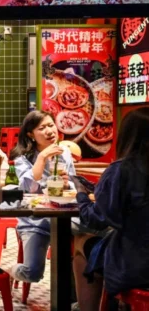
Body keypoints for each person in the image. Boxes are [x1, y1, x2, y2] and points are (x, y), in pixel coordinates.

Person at [75, 107, 149, 310]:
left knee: (81, 242)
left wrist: (81, 195)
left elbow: (96, 219)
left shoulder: (122, 169)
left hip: (136, 265)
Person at [8, 110, 77, 284]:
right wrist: (43, 157)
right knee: (32, 273)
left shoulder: (65, 153)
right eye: (42, 128)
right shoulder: (22, 157)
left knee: (92, 234)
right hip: (34, 221)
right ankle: (7, 271)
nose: (49, 131)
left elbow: (73, 187)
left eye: (51, 125)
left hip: (61, 215)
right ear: (31, 134)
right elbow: (28, 188)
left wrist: (67, 183)